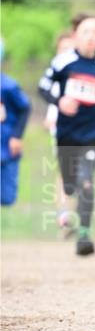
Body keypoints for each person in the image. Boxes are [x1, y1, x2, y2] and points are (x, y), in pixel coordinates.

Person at [39, 13, 95, 256]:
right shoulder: (63, 61)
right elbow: (43, 87)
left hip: (92, 132)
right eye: (86, 32)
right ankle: (70, 196)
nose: (91, 37)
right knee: (70, 184)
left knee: (86, 181)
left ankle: (84, 235)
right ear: (75, 35)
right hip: (66, 132)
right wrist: (60, 101)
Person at [42, 30, 75, 229]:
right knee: (64, 172)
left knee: (80, 174)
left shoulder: (83, 73)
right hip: (61, 130)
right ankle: (64, 215)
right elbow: (53, 100)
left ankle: (73, 212)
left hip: (85, 131)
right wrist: (50, 119)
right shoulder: (56, 74)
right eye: (63, 49)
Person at [0, 39, 31, 207]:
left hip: (6, 145)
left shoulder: (8, 86)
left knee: (7, 198)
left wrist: (16, 136)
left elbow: (24, 108)